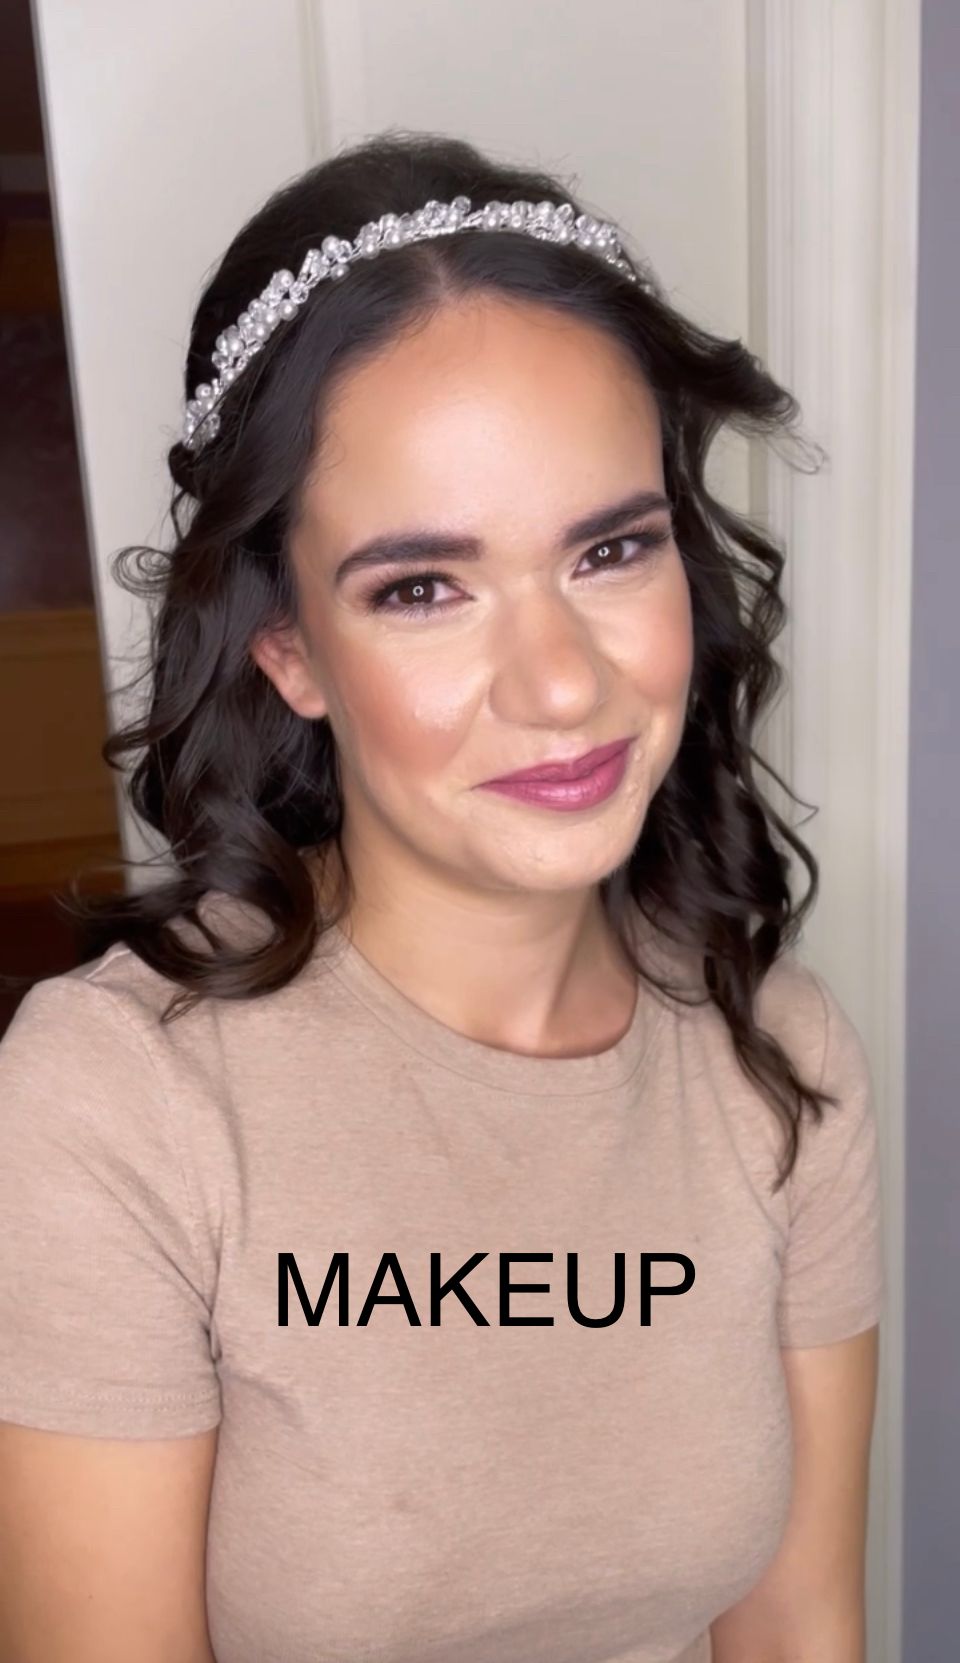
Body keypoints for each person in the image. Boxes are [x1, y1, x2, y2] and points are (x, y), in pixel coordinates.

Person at [0, 130, 884, 1663]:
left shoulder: (781, 1057)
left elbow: (802, 1623)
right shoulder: (114, 1103)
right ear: (288, 649)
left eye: (611, 550)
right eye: (423, 587)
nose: (561, 684)